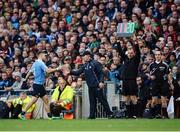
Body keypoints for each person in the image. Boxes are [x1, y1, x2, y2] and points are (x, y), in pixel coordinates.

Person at [18, 51, 62, 120]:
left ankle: (50, 117)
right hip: (38, 85)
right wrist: (57, 68)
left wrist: (25, 79)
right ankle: (22, 113)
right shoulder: (40, 63)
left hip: (39, 85)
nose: (46, 57)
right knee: (33, 100)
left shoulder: (35, 63)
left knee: (46, 100)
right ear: (41, 55)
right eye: (45, 55)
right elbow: (48, 71)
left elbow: (30, 72)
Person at [70, 51, 114, 119]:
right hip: (90, 86)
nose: (83, 57)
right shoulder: (85, 65)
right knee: (92, 101)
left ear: (88, 56)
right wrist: (70, 72)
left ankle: (110, 113)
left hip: (97, 85)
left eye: (84, 56)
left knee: (102, 100)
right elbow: (78, 72)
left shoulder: (95, 63)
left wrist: (101, 82)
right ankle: (92, 115)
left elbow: (101, 73)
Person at [120, 42, 141, 118]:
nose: (130, 54)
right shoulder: (125, 59)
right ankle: (129, 115)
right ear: (127, 53)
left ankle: (136, 114)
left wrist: (136, 44)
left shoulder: (136, 60)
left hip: (132, 80)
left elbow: (138, 52)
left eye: (131, 53)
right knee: (126, 99)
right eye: (129, 53)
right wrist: (119, 42)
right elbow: (120, 52)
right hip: (125, 80)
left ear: (133, 53)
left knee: (133, 98)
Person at [148, 50, 169, 118]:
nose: (157, 56)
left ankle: (165, 115)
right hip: (154, 84)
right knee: (154, 100)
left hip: (163, 84)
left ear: (161, 55)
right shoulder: (151, 65)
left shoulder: (165, 65)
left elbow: (168, 74)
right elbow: (149, 74)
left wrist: (169, 82)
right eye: (156, 55)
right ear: (155, 56)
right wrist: (151, 77)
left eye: (159, 54)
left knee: (163, 100)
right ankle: (154, 114)